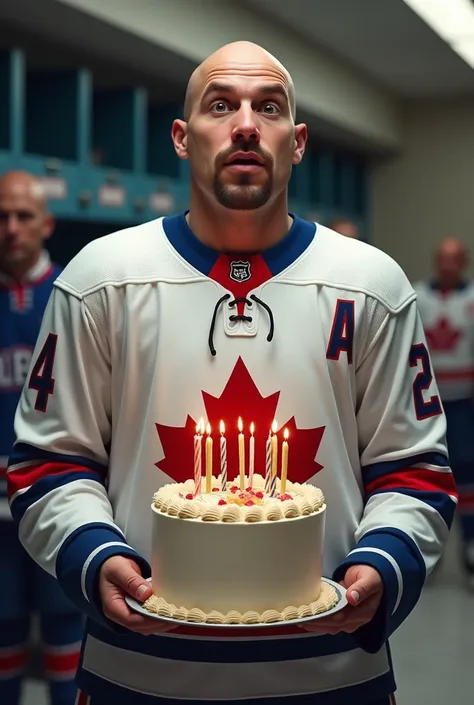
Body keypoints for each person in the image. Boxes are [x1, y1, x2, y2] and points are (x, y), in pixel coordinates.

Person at [7, 43, 456, 705]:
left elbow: (413, 466)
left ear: (297, 141)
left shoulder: (372, 285)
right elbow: (50, 461)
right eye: (222, 104)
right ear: (183, 138)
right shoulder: (100, 281)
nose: (246, 123)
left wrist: (383, 563)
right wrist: (94, 555)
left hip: (333, 673)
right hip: (139, 671)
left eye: (267, 107)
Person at [0, 171, 83, 705]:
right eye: (1, 217)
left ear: (46, 224)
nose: (11, 229)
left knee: (65, 633)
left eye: (24, 216)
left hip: (57, 499)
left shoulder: (74, 296)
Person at [414, 238, 474, 586]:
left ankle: (469, 547)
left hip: (464, 403)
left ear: (463, 262)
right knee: (427, 473)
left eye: (455, 259)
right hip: (427, 403)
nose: (448, 266)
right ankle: (427, 550)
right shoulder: (417, 295)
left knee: (466, 474)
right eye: (443, 259)